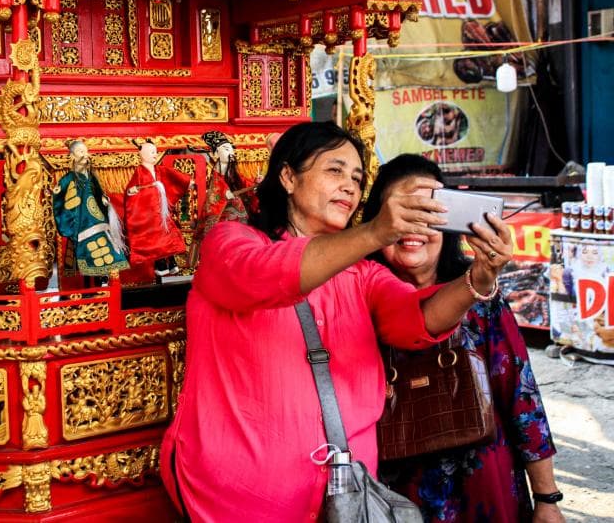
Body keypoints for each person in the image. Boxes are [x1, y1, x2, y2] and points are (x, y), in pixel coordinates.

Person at [160, 122, 514, 522]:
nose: (349, 185)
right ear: (288, 176)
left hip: (346, 497)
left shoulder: (362, 274)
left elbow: (416, 318)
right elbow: (265, 273)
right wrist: (374, 232)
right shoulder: (231, 242)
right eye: (334, 170)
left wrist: (479, 278)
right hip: (240, 499)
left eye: (357, 178)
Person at [363, 153, 564, 523]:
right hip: (395, 496)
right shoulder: (356, 298)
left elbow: (520, 395)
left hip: (487, 487)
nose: (416, 228)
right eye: (405, 213)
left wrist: (548, 499)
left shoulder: (481, 297)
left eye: (430, 214)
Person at [52, 139, 129, 277]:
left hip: (98, 218)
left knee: (109, 249)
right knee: (92, 251)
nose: (85, 155)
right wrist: (70, 219)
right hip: (82, 222)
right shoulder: (67, 180)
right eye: (81, 152)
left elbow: (98, 192)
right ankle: (94, 282)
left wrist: (104, 200)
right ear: (72, 156)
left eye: (86, 151)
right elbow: (58, 201)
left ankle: (105, 280)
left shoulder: (91, 176)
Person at [124, 139, 193, 277]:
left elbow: (174, 175)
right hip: (149, 213)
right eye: (152, 152)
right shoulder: (139, 172)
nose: (155, 155)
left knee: (167, 235)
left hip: (161, 210)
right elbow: (130, 189)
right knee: (156, 240)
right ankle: (161, 265)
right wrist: (132, 191)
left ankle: (172, 262)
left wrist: (186, 181)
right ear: (142, 154)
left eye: (156, 152)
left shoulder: (159, 170)